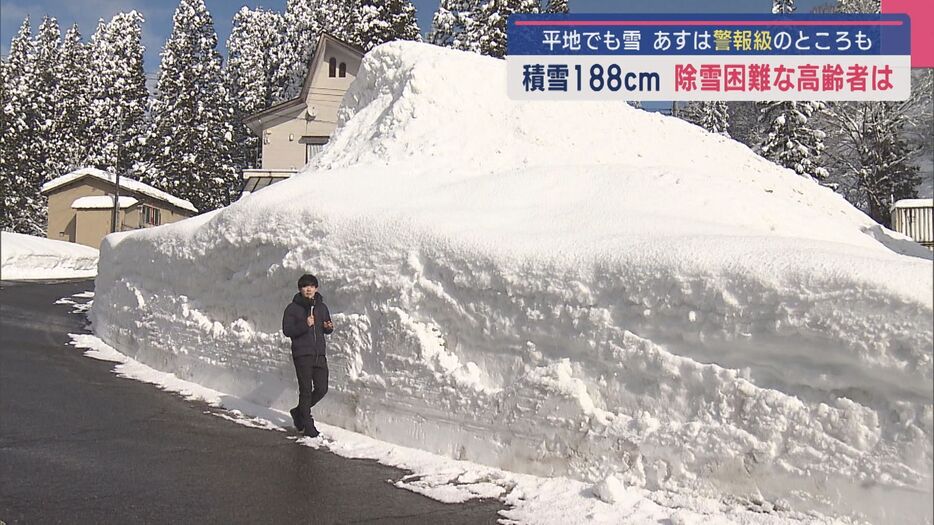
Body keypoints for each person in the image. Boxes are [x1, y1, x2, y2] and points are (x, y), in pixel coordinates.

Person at [282, 273, 334, 437]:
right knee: (305, 391)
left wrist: (328, 327)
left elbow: (326, 327)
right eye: (305, 286)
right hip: (302, 354)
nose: (308, 289)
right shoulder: (292, 308)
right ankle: (308, 425)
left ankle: (298, 412)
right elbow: (287, 331)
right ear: (300, 289)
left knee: (321, 388)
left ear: (316, 288)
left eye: (311, 286)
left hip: (319, 355)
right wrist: (305, 324)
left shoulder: (322, 307)